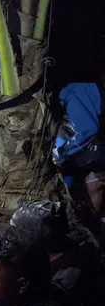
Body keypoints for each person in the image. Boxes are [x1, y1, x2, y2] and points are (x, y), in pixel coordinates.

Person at [52, 71, 105, 214]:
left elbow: (88, 130)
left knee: (93, 180)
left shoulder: (71, 93)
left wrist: (61, 153)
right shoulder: (76, 91)